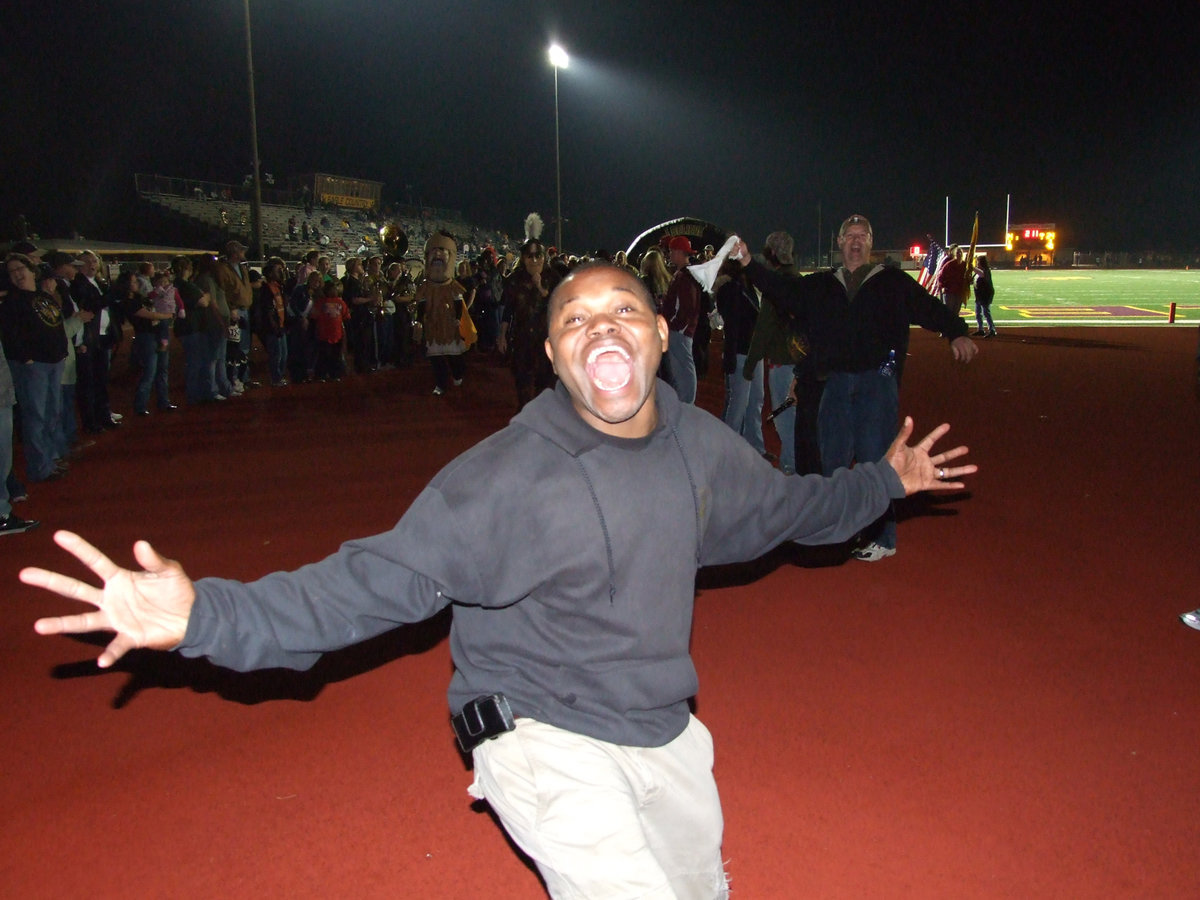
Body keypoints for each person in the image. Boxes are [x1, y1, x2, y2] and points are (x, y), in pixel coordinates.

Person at [25, 262, 975, 899]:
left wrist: (883, 482)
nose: (600, 328)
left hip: (660, 727)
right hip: (539, 732)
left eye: (622, 312)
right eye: (575, 321)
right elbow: (369, 584)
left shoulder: (701, 447)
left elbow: (786, 514)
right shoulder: (512, 478)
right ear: (557, 356)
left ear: (657, 334)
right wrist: (203, 615)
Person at [736, 214, 977, 561]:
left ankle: (882, 536)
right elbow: (782, 290)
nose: (855, 241)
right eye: (850, 235)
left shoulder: (892, 281)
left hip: (876, 382)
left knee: (876, 458)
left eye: (862, 236)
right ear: (839, 242)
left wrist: (956, 331)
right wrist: (747, 263)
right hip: (833, 382)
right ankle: (837, 532)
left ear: (870, 243)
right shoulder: (821, 284)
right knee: (833, 462)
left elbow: (928, 307)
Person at [414, 232, 470, 396]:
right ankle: (441, 383)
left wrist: (458, 319)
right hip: (433, 324)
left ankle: (458, 375)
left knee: (453, 354)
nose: (437, 254)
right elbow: (422, 304)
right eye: (434, 250)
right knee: (436, 356)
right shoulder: (425, 286)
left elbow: (458, 302)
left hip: (450, 324)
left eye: (442, 250)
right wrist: (419, 320)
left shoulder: (453, 285)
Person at [661, 236, 701, 403]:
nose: (669, 255)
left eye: (671, 251)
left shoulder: (684, 276)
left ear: (678, 252)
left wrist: (676, 325)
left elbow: (687, 307)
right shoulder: (684, 274)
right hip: (679, 330)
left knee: (683, 370)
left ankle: (687, 404)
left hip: (680, 331)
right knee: (681, 371)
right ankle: (685, 404)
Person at [972, 255, 997, 337]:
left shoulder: (986, 270)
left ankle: (992, 330)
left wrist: (971, 267)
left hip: (985, 295)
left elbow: (982, 274)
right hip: (979, 295)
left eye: (978, 262)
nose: (977, 263)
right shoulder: (977, 272)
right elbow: (973, 281)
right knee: (978, 313)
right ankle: (980, 329)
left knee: (986, 313)